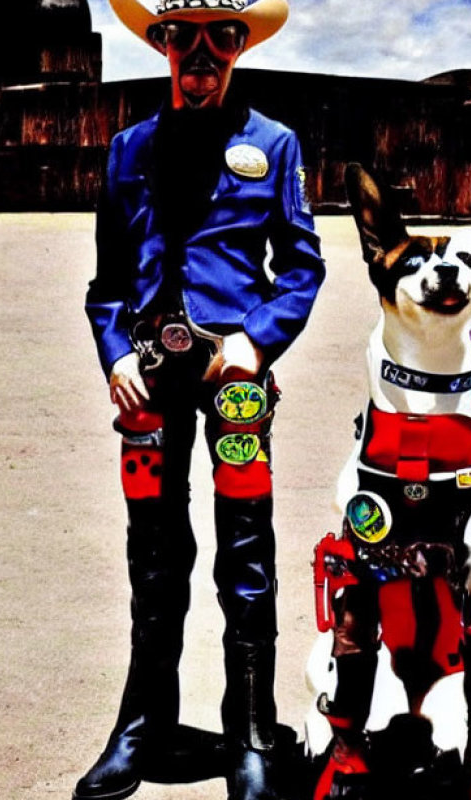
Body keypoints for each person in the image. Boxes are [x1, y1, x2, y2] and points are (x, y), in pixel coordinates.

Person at [74, 2, 324, 799]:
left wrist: (257, 340)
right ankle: (143, 726)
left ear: (240, 46)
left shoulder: (273, 144)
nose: (203, 54)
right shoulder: (128, 150)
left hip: (234, 379)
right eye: (184, 36)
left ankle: (249, 733)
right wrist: (114, 352)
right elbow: (107, 283)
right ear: (164, 46)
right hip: (150, 377)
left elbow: (301, 266)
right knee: (154, 553)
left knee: (245, 557)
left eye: (223, 35)